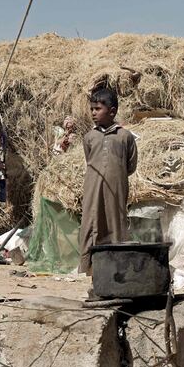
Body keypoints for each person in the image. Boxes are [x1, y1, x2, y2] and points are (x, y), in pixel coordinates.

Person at [79, 86, 138, 275]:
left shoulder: (125, 137)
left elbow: (131, 165)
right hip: (92, 187)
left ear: (112, 112)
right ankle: (88, 268)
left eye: (98, 109)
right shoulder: (89, 137)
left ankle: (116, 268)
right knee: (90, 222)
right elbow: (90, 160)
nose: (93, 113)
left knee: (115, 223)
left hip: (117, 188)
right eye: (92, 109)